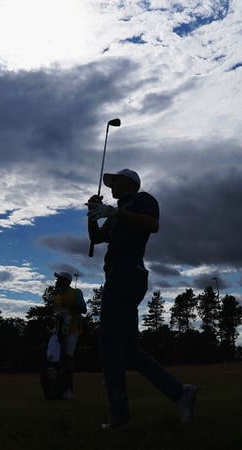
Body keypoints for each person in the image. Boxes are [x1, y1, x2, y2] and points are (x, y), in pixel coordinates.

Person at [87, 168, 197, 429]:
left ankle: (120, 417)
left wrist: (115, 213)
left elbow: (153, 225)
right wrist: (92, 214)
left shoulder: (142, 199)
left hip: (128, 274)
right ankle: (180, 393)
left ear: (130, 183)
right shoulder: (115, 215)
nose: (112, 186)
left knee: (111, 345)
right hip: (118, 276)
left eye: (116, 181)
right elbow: (96, 238)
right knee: (130, 352)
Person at [52, 271, 86, 400]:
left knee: (67, 358)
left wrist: (69, 306)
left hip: (72, 329)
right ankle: (57, 388)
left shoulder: (76, 292)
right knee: (57, 359)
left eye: (59, 279)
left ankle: (68, 390)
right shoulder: (57, 297)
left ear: (66, 281)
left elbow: (83, 309)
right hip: (58, 331)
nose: (56, 281)